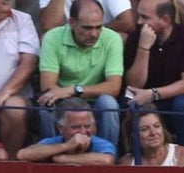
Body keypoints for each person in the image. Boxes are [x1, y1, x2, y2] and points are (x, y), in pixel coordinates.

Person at [37, 0, 123, 148]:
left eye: (98, 27)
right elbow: (48, 86)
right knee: (47, 105)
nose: (94, 34)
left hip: (92, 99)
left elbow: (114, 87)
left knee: (108, 103)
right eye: (87, 28)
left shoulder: (112, 38)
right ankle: (50, 157)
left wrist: (74, 90)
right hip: (63, 100)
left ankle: (108, 155)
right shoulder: (52, 37)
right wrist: (68, 94)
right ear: (71, 22)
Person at [124, 0, 184, 153]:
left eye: (145, 17)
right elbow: (134, 84)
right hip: (146, 100)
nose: (139, 21)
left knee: (183, 105)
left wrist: (153, 94)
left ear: (165, 20)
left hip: (178, 100)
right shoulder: (137, 37)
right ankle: (130, 159)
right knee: (127, 103)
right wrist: (144, 48)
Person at [0, 0, 40, 159]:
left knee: (15, 107)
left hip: (6, 103)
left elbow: (29, 62)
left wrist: (4, 94)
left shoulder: (22, 20)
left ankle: (10, 165)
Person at [18, 95, 117, 163]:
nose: (83, 132)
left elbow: (107, 160)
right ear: (60, 128)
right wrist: (66, 146)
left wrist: (64, 159)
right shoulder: (54, 141)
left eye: (87, 126)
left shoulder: (100, 143)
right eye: (76, 127)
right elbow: (22, 155)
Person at [119, 105, 184, 164]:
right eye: (145, 129)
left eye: (157, 126)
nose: (153, 133)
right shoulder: (127, 162)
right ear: (133, 135)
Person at [38, 0, 132, 35]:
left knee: (121, 36)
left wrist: (90, 30)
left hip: (100, 36)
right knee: (46, 37)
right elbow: (48, 25)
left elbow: (127, 22)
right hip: (67, 40)